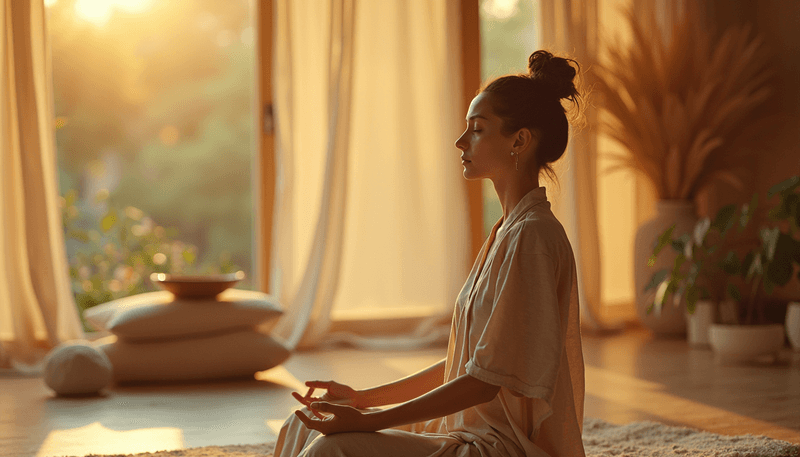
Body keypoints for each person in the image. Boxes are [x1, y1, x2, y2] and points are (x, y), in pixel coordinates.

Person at [272, 49, 586, 457]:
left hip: (501, 448)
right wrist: (362, 399)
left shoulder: (534, 238)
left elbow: (485, 381)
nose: (460, 141)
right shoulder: (506, 232)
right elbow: (468, 366)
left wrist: (370, 421)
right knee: (303, 427)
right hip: (467, 427)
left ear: (520, 140)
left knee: (330, 449)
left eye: (477, 128)